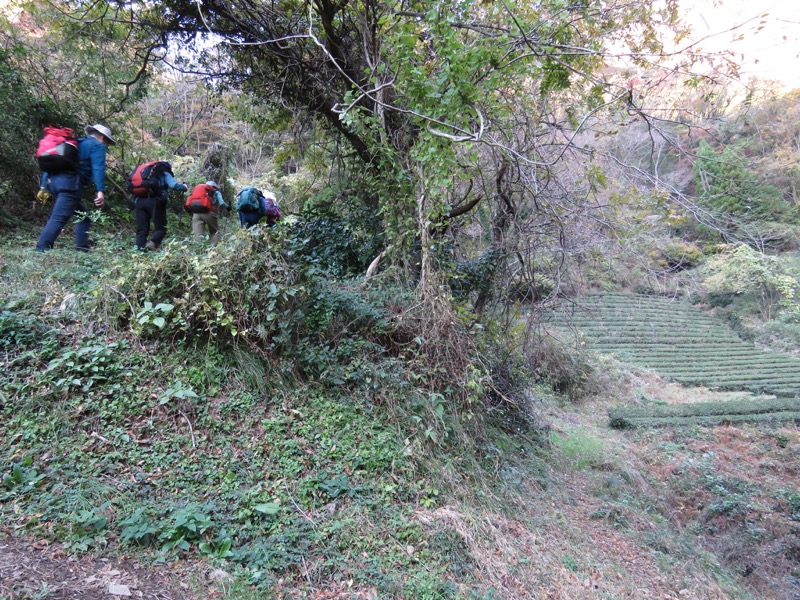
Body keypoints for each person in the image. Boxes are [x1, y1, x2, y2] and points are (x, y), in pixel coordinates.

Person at [35, 124, 115, 252]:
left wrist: (44, 186)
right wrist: (100, 191)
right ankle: (41, 248)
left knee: (83, 216)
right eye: (108, 142)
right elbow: (98, 168)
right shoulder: (97, 145)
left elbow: (51, 163)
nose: (107, 145)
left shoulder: (73, 142)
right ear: (103, 137)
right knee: (58, 217)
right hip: (70, 184)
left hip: (53, 182)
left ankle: (82, 247)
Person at [131, 162, 189, 251]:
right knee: (161, 227)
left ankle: (139, 250)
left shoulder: (145, 174)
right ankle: (152, 243)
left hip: (139, 200)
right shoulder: (164, 173)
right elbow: (173, 185)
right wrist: (184, 186)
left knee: (142, 229)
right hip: (155, 200)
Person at [187, 180, 229, 245]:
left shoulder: (199, 191)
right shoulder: (216, 192)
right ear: (215, 187)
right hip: (209, 213)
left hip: (196, 214)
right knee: (214, 232)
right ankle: (214, 249)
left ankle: (199, 250)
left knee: (198, 234)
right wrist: (228, 207)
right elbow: (222, 203)